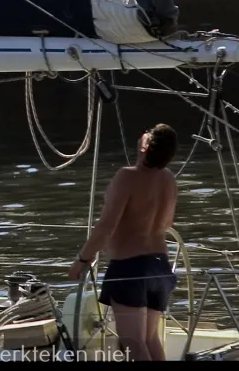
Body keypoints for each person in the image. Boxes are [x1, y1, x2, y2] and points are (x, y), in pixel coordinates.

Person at [68, 124, 178, 362]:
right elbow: (167, 222)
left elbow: (106, 227)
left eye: (146, 132)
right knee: (149, 339)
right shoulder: (168, 178)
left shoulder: (127, 176)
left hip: (130, 267)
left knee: (132, 343)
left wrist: (82, 259)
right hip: (160, 266)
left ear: (145, 146)